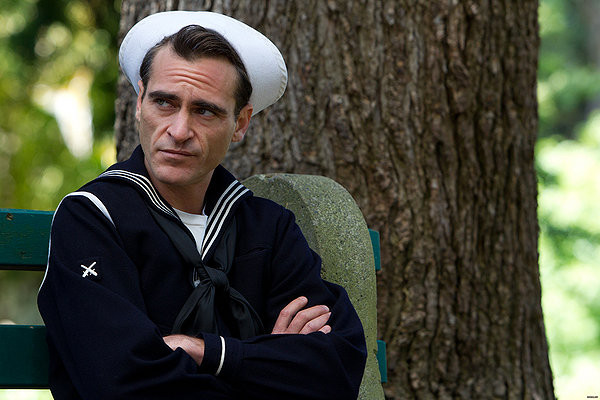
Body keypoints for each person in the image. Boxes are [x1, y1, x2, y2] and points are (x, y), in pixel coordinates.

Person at [38, 11, 366, 400]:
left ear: (240, 123)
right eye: (164, 102)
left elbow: (337, 367)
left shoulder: (269, 228)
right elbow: (123, 384)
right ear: (139, 102)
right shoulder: (93, 218)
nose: (179, 131)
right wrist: (270, 366)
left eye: (205, 110)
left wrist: (207, 352)